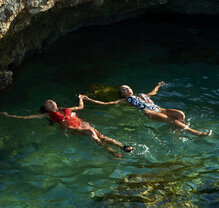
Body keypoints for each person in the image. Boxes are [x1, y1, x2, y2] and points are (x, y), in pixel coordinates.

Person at [0, 96, 133, 157]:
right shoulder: (48, 115)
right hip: (72, 128)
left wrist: (81, 98)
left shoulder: (66, 109)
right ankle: (110, 151)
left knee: (100, 135)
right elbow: (26, 117)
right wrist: (9, 116)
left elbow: (80, 107)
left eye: (51, 100)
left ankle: (123, 147)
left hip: (81, 123)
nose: (50, 101)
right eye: (47, 102)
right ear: (46, 108)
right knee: (90, 132)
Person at [80, 82, 212, 137]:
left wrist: (158, 85)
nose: (126, 89)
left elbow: (152, 93)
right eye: (123, 89)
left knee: (180, 115)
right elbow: (106, 103)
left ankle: (177, 132)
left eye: (127, 87)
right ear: (122, 94)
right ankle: (198, 134)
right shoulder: (125, 101)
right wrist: (89, 99)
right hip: (149, 112)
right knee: (173, 121)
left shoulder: (140, 95)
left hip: (160, 109)